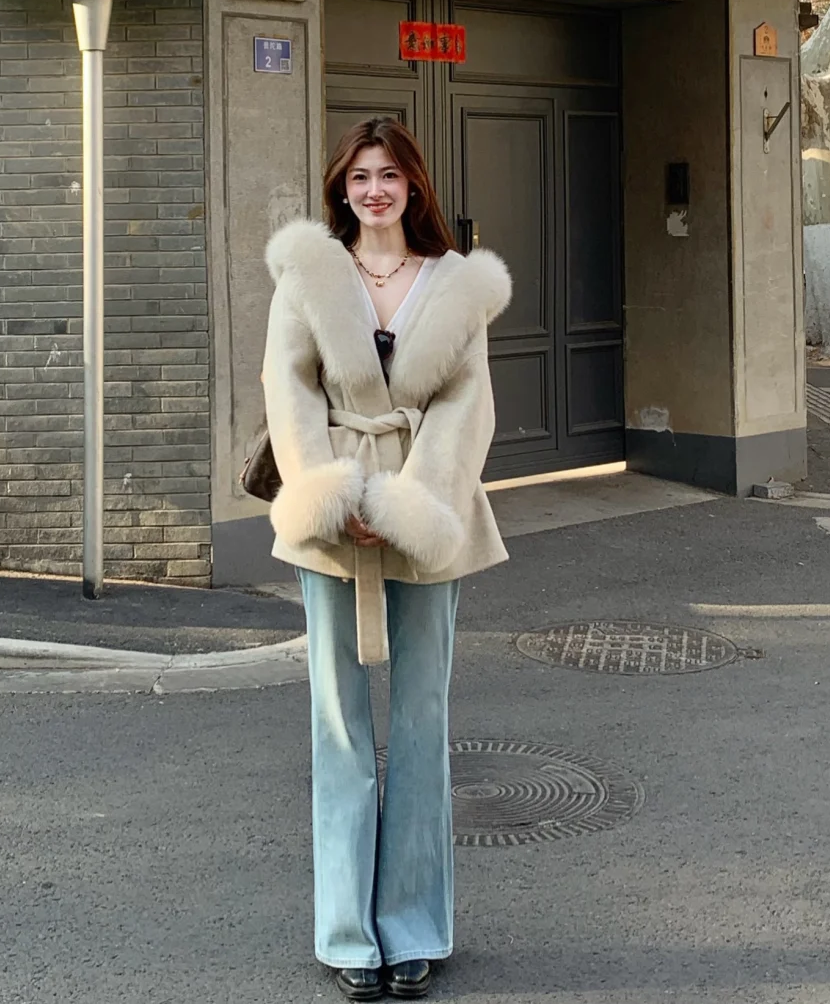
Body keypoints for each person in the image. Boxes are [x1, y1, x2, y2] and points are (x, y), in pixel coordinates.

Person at [261, 116, 511, 1001]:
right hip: (331, 516)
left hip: (429, 513)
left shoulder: (456, 283)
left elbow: (468, 405)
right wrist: (336, 496)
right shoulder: (309, 274)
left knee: (421, 724)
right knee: (338, 726)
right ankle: (345, 933)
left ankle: (412, 928)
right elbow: (287, 389)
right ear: (342, 186)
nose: (375, 190)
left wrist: (410, 504)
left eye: (390, 175)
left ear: (414, 186)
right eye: (360, 175)